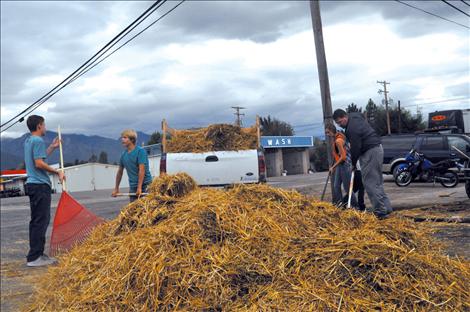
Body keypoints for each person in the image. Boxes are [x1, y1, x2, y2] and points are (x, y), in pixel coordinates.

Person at [333, 109, 392, 219]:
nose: (340, 126)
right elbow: (360, 114)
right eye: (338, 124)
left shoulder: (351, 129)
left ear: (345, 117)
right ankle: (386, 208)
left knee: (369, 183)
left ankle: (380, 212)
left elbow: (355, 148)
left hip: (370, 151)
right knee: (377, 181)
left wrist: (354, 164)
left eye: (340, 122)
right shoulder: (354, 116)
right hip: (377, 148)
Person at [24, 115, 65, 267]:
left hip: (33, 185)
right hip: (39, 185)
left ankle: (37, 254)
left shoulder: (29, 141)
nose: (45, 128)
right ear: (39, 126)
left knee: (37, 221)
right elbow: (39, 163)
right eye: (44, 125)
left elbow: (39, 157)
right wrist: (57, 172)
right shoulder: (38, 140)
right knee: (40, 221)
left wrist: (52, 148)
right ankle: (34, 257)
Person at [112, 129, 152, 202]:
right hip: (133, 187)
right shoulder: (123, 155)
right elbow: (120, 172)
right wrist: (116, 188)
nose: (122, 139)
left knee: (147, 210)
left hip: (146, 185)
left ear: (132, 139)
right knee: (133, 210)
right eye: (122, 137)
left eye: (125, 137)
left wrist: (139, 187)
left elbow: (142, 170)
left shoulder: (140, 151)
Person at [325, 123, 357, 208]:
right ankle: (340, 204)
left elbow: (343, 157)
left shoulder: (338, 140)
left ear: (332, 131)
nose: (327, 135)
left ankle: (355, 206)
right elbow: (337, 154)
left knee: (347, 188)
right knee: (336, 186)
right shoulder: (337, 137)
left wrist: (333, 167)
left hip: (345, 165)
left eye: (328, 132)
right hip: (340, 165)